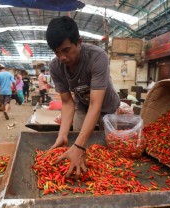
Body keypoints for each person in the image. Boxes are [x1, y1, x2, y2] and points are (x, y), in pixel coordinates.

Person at [46, 16, 120, 177]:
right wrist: (62, 134)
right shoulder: (55, 66)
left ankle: (107, 176)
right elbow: (67, 103)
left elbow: (96, 104)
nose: (62, 57)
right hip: (82, 107)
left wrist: (79, 147)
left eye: (66, 50)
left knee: (109, 151)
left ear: (78, 42)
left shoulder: (97, 57)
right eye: (57, 52)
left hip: (107, 108)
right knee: (80, 141)